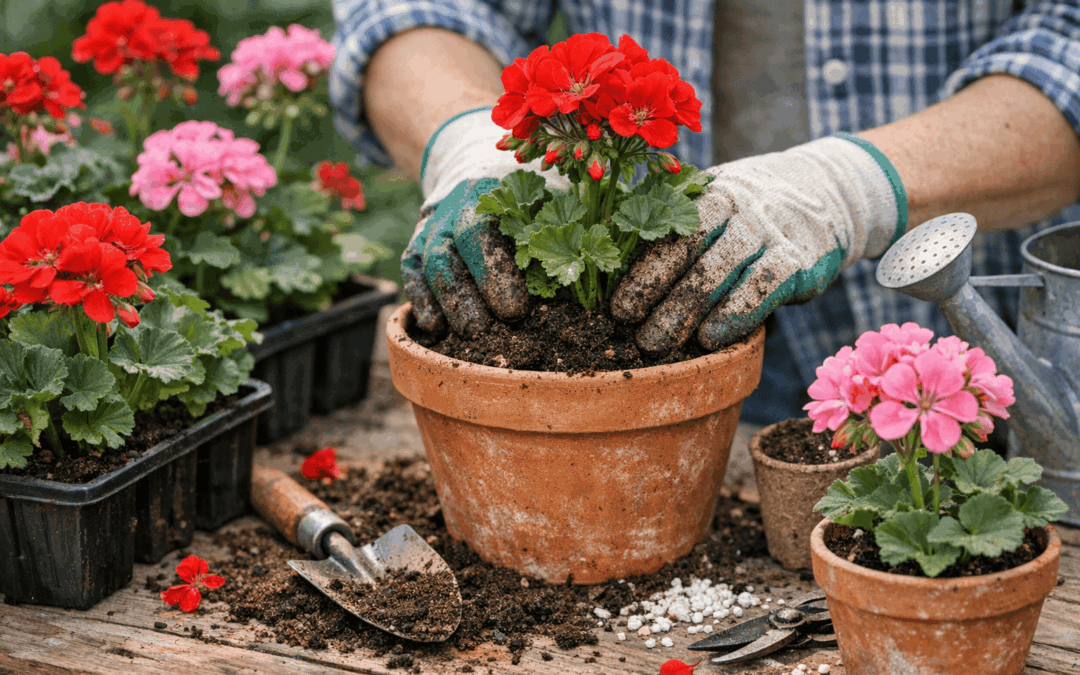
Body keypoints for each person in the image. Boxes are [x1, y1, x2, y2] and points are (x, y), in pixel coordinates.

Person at [327, 0, 1080, 428]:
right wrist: (470, 143)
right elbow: (414, 9)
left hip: (976, 360)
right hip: (650, 326)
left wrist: (847, 186)